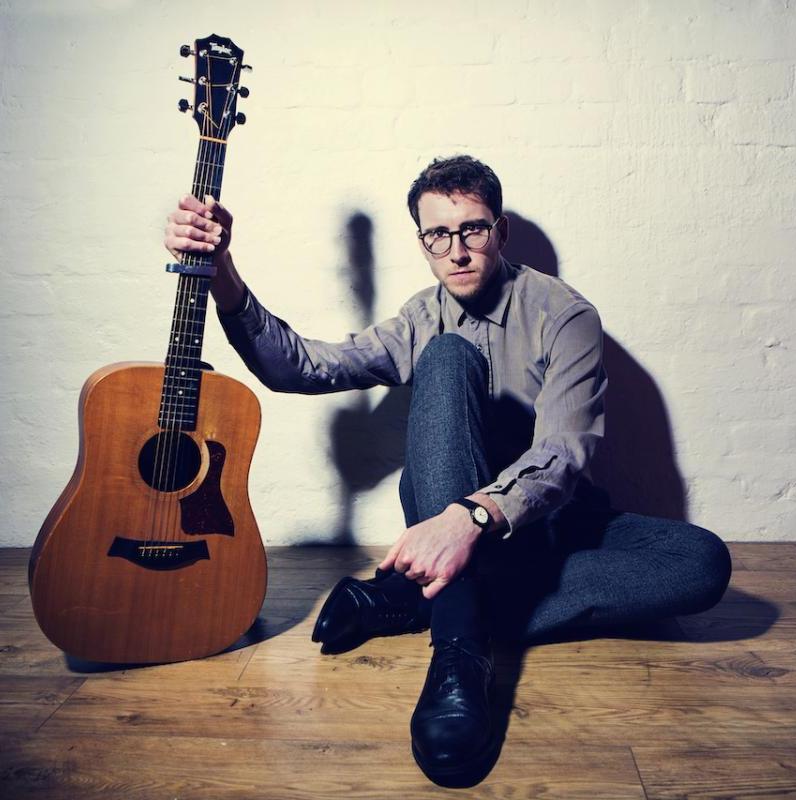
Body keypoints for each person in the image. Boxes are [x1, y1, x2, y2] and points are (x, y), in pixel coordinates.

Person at [164, 155, 732, 787]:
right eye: (439, 235)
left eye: (473, 229)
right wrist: (224, 280)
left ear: (500, 231)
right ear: (423, 242)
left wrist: (473, 515)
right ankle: (459, 652)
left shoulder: (564, 313)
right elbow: (302, 366)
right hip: (444, 510)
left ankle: (407, 601)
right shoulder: (421, 317)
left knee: (701, 562)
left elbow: (565, 452)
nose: (457, 251)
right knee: (445, 356)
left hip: (545, 522)